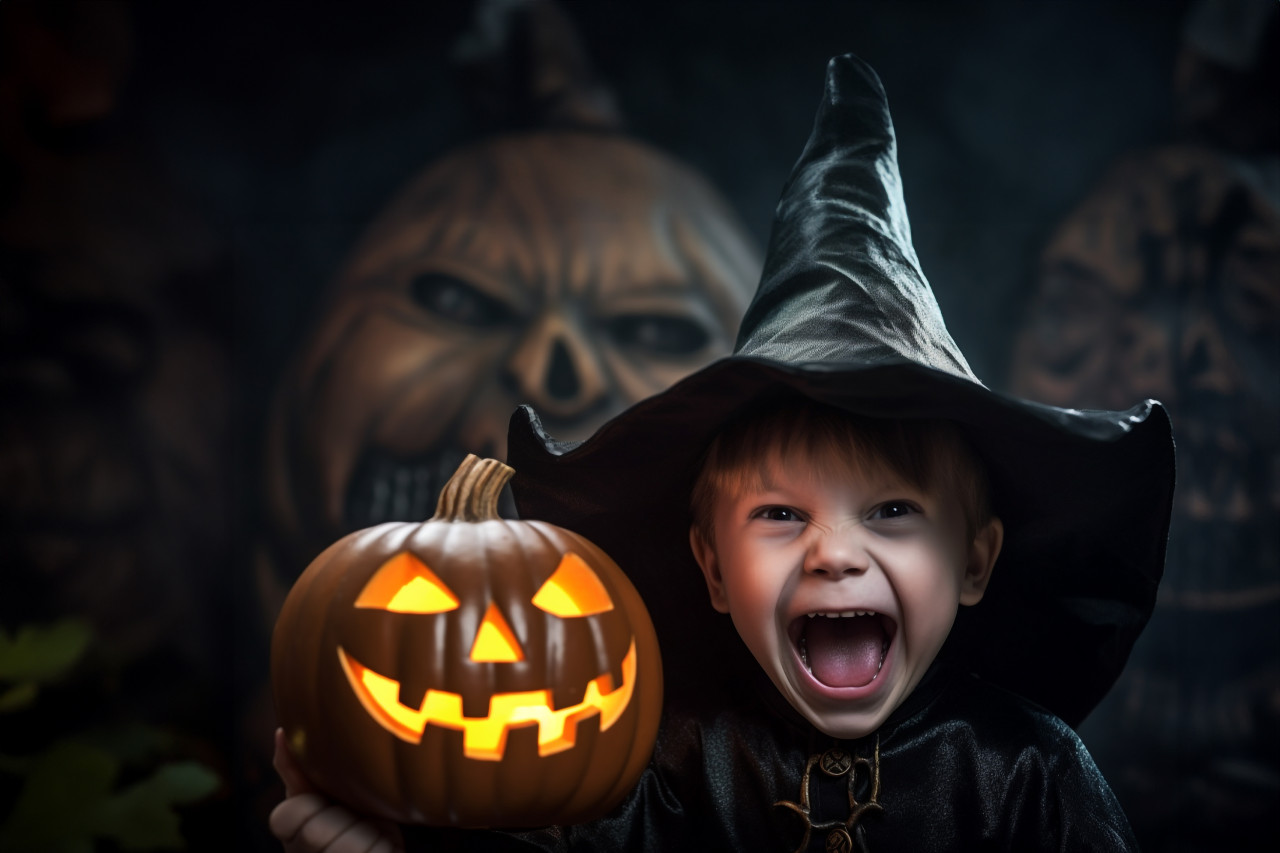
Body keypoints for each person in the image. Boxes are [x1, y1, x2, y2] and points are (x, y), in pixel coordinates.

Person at [270, 53, 1175, 852]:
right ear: (710, 566)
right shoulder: (658, 762)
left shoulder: (1029, 771)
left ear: (975, 559)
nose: (834, 551)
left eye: (893, 512)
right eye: (780, 515)